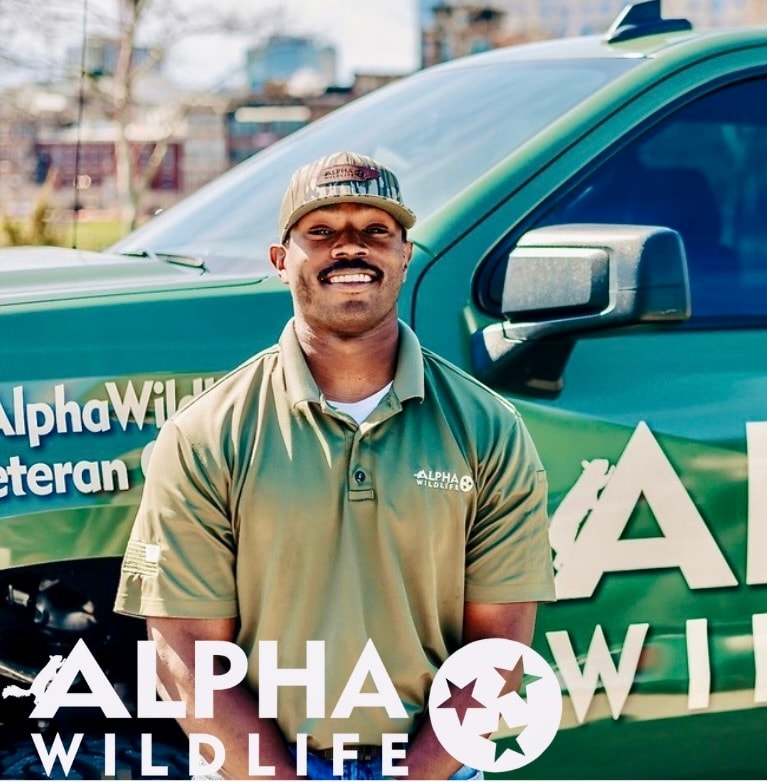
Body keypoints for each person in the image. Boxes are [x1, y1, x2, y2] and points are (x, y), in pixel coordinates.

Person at [114, 151, 555, 780]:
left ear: (405, 256)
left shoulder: (488, 429)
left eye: (376, 231)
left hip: (439, 766)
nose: (350, 248)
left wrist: (416, 776)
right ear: (280, 260)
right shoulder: (205, 434)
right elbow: (185, 652)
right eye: (320, 232)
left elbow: (498, 646)